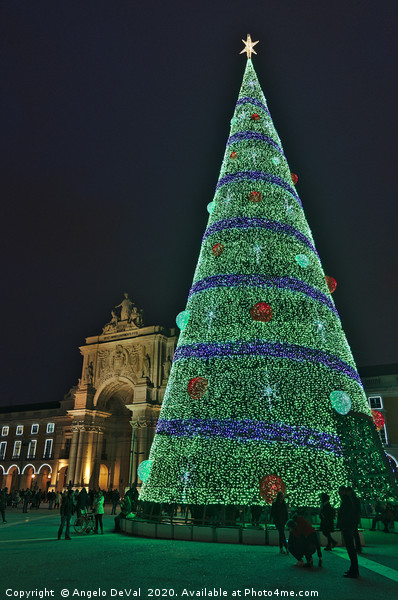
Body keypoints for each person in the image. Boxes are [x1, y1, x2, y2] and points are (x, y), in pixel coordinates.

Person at [337, 486, 359, 578]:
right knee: (350, 549)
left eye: (340, 491)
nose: (338, 493)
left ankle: (354, 570)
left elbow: (346, 515)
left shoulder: (346, 501)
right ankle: (353, 569)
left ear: (343, 492)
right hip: (349, 526)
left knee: (350, 549)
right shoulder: (348, 500)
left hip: (347, 527)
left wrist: (344, 526)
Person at [346, 487, 362, 551]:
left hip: (352, 518)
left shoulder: (351, 499)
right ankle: (358, 547)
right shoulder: (355, 499)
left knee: (354, 533)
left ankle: (356, 547)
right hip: (354, 518)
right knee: (355, 533)